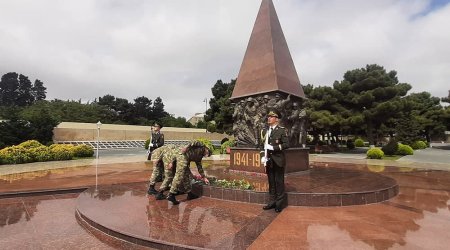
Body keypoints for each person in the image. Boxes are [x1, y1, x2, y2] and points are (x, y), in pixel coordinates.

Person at [260, 110, 289, 213]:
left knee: (279, 182)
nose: (269, 118)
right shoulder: (265, 131)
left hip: (278, 160)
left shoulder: (281, 130)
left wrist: (273, 147)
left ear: (276, 119)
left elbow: (286, 144)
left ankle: (279, 204)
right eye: (268, 116)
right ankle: (272, 202)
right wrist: (263, 156)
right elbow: (262, 146)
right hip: (269, 161)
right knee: (271, 182)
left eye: (271, 117)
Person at [147, 122, 165, 195]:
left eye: (156, 126)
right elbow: (150, 146)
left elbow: (161, 143)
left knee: (161, 168)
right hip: (155, 154)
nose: (154, 127)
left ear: (159, 128)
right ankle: (151, 188)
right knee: (156, 170)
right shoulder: (152, 134)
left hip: (159, 153)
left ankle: (162, 182)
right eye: (154, 126)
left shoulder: (161, 135)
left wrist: (153, 145)